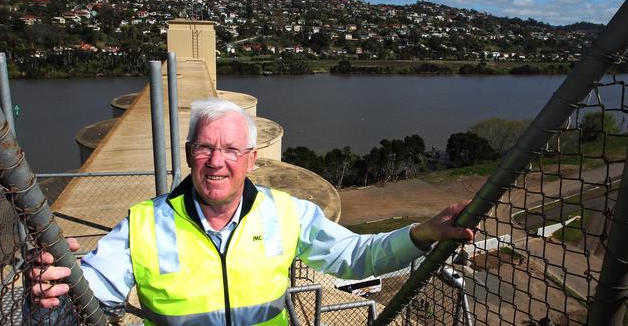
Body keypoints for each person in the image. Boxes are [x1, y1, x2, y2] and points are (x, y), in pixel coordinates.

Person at [30, 98, 474, 325]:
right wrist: (54, 288)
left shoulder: (287, 214)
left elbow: (358, 256)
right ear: (188, 154)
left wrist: (422, 232)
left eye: (230, 149)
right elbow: (87, 296)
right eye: (205, 147)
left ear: (251, 158)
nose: (216, 160)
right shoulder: (143, 224)